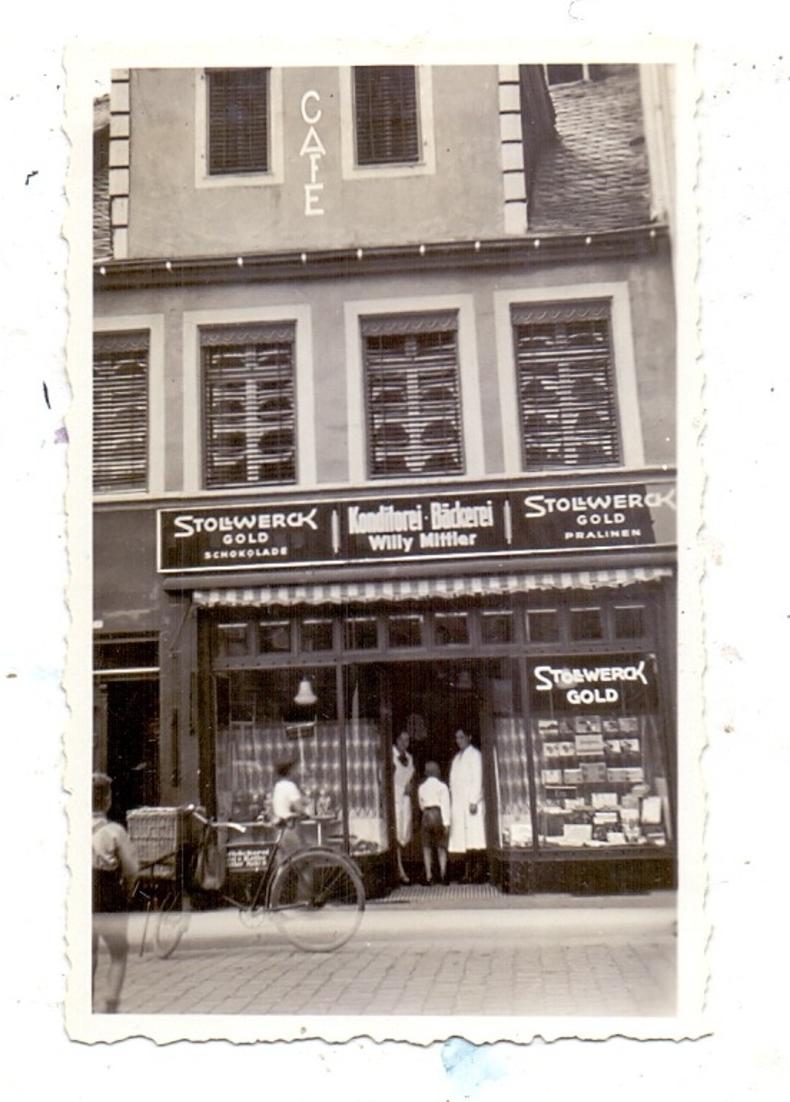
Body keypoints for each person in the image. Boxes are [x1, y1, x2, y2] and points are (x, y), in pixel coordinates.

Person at [92, 772, 139, 1014]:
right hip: (109, 895)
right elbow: (131, 869)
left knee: (87, 955)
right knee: (119, 953)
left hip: (81, 897)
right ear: (107, 800)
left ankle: (85, 1003)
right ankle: (111, 1004)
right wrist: (128, 889)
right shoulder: (114, 831)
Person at [448, 729, 487, 883]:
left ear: (469, 737)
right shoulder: (457, 758)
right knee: (465, 842)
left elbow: (478, 778)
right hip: (459, 804)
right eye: (457, 738)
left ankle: (478, 874)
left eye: (462, 737)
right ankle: (467, 873)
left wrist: (474, 800)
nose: (459, 740)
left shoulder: (475, 755)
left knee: (476, 840)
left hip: (472, 805)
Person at [418, 761, 451, 885]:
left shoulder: (421, 787)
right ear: (438, 772)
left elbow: (421, 805)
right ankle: (443, 874)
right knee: (441, 847)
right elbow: (445, 805)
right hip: (438, 814)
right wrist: (446, 823)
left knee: (427, 847)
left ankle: (429, 876)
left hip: (426, 815)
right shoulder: (442, 786)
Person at [392, 731, 415, 883]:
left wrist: (410, 786)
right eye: (402, 739)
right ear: (397, 740)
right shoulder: (390, 755)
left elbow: (411, 776)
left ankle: (402, 869)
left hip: (405, 799)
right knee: (396, 833)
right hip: (394, 799)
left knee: (404, 832)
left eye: (407, 740)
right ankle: (399, 871)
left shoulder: (410, 757)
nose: (404, 743)